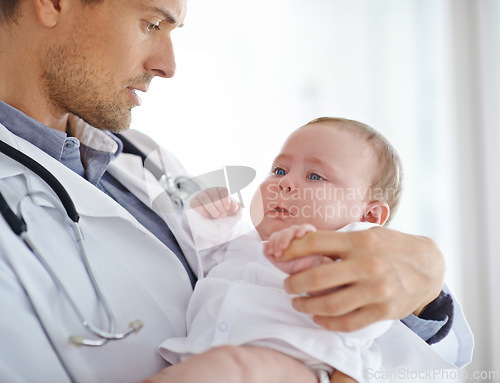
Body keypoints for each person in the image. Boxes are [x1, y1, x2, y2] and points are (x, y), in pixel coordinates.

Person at [0, 0, 472, 382]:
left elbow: (413, 360)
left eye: (173, 31)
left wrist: (424, 299)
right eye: (151, 23)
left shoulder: (143, 158)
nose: (168, 65)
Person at [158, 117, 458, 383]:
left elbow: (373, 313)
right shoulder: (241, 241)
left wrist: (312, 266)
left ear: (368, 218)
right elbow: (200, 263)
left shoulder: (352, 260)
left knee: (229, 367)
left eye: (315, 176)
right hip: (200, 357)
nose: (285, 182)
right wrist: (208, 218)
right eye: (278, 169)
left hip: (298, 365)